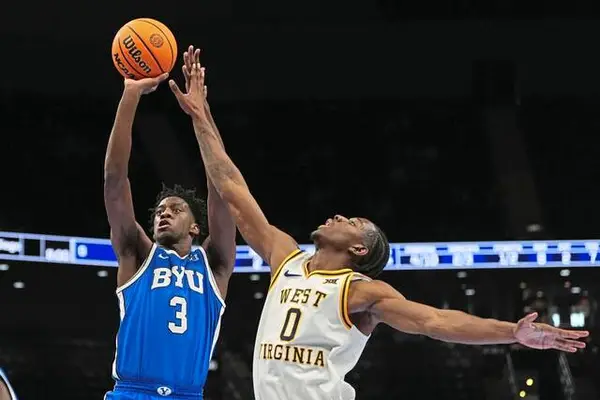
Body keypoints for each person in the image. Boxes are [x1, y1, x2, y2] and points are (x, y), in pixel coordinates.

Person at [169, 53, 590, 400]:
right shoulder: (286, 258)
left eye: (352, 222)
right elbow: (231, 187)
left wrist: (512, 332)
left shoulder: (362, 292)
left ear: (359, 249)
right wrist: (201, 114)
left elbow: (436, 322)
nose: (338, 216)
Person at [103, 47, 236, 399]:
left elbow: (223, 187)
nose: (164, 213)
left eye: (175, 209)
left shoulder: (215, 264)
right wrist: (130, 95)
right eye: (160, 211)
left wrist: (201, 115)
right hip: (132, 392)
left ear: (195, 228)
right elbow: (114, 182)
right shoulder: (136, 254)